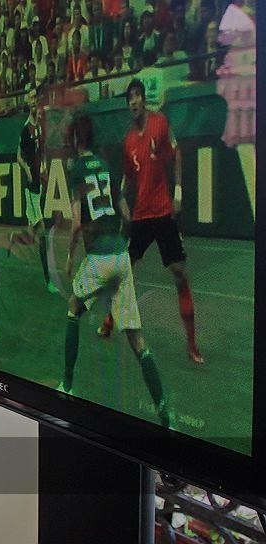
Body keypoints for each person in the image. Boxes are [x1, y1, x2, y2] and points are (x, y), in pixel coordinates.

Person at [59, 113, 171, 428]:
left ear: (76, 139)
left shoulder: (76, 169)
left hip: (99, 259)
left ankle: (66, 385)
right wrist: (123, 246)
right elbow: (126, 214)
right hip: (121, 255)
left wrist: (69, 258)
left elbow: (77, 222)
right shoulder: (106, 166)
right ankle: (163, 410)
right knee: (137, 340)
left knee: (73, 308)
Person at [98, 79, 204, 364]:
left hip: (164, 213)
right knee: (123, 271)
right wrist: (120, 199)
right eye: (129, 99)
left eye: (137, 96)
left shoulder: (160, 123)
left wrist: (178, 192)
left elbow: (177, 154)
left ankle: (192, 344)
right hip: (141, 217)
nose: (133, 102)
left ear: (144, 99)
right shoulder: (128, 141)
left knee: (180, 274)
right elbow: (127, 178)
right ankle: (109, 320)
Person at [10, 91, 57, 294]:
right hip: (31, 189)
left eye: (34, 98)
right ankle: (48, 280)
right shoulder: (25, 129)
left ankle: (15, 238)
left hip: (39, 184)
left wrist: (44, 166)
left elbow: (42, 150)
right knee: (43, 235)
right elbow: (18, 156)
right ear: (26, 103)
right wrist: (28, 171)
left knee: (33, 235)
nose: (33, 101)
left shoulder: (39, 125)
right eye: (29, 99)